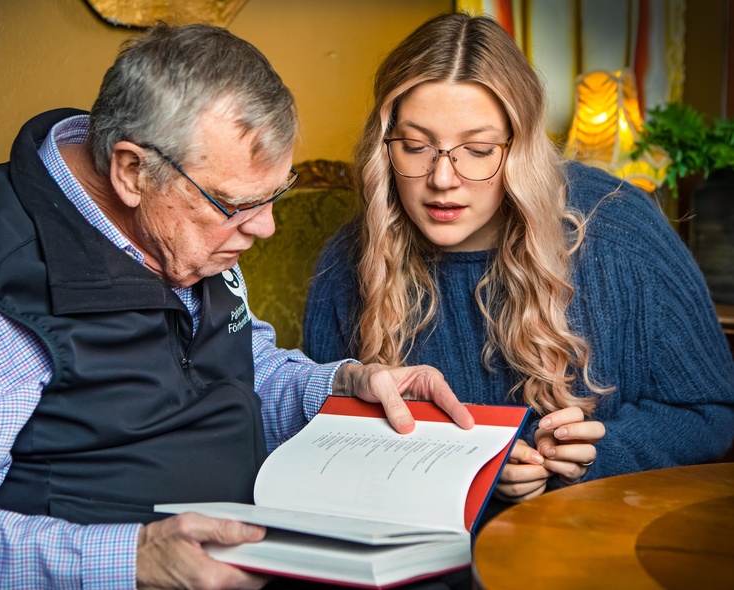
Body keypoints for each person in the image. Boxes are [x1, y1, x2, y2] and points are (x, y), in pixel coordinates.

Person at [0, 23, 475, 589]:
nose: (265, 227)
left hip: (258, 556)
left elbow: (239, 370)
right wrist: (135, 560)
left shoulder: (184, 229)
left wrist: (342, 386)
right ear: (131, 172)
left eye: (274, 196)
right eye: (236, 204)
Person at [304, 12, 734, 510]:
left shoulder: (620, 227)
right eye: (416, 146)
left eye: (479, 149)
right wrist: (469, 471)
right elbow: (326, 450)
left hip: (595, 536)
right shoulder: (346, 262)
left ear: (521, 147)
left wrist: (596, 456)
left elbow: (712, 410)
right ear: (385, 147)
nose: (443, 178)